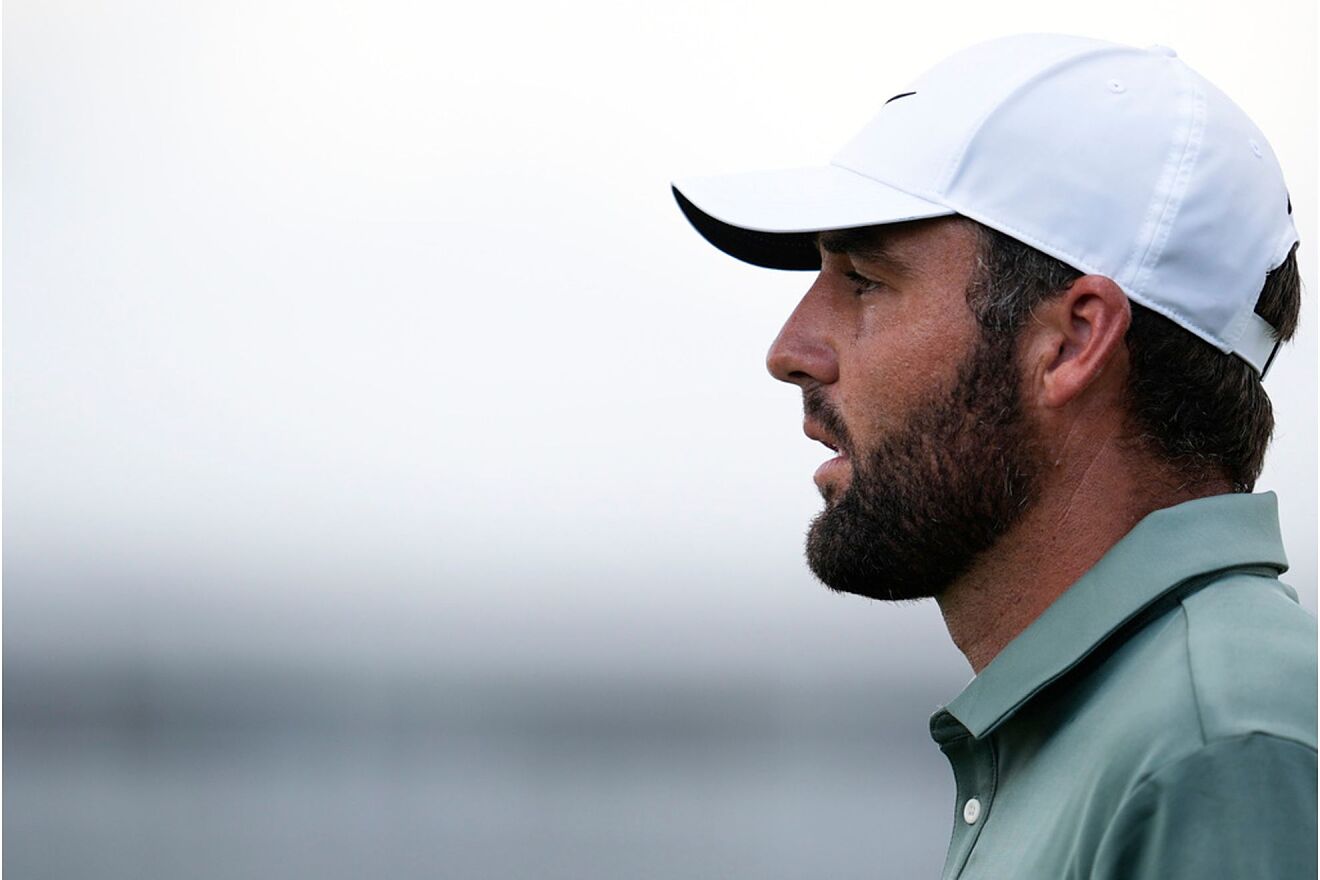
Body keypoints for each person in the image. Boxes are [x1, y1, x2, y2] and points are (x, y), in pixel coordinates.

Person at [671, 34, 1316, 879]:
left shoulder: (1217, 745)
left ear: (1072, 341)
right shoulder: (1124, 727)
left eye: (864, 280)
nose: (790, 348)